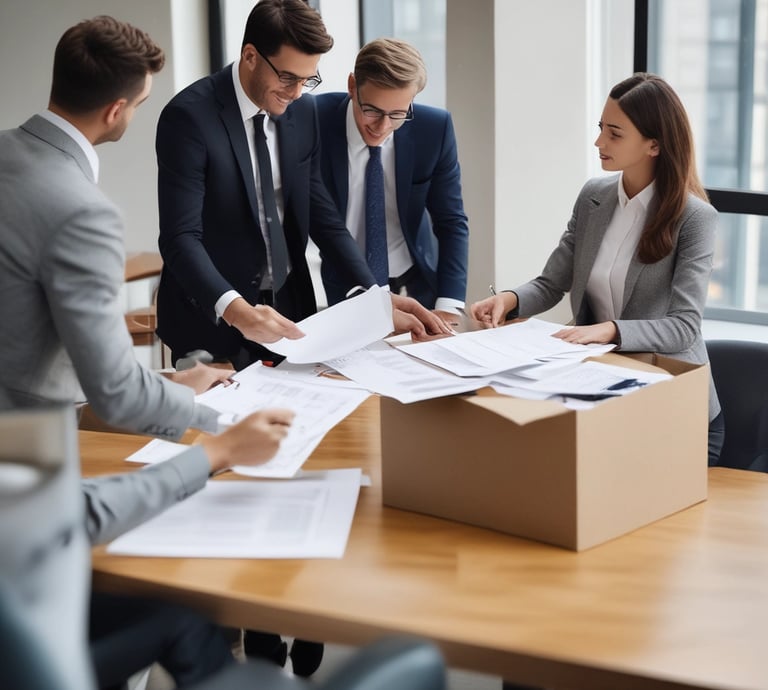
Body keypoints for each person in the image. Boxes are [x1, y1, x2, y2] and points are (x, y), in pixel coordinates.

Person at [0, 15, 296, 688]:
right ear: (116, 110)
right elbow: (118, 395)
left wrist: (179, 383)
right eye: (138, 104)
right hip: (29, 480)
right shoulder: (81, 209)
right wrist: (218, 425)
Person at [154, 0, 450, 374]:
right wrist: (235, 309)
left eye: (307, 80)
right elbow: (180, 237)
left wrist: (374, 297)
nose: (297, 92)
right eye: (288, 78)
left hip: (290, 312)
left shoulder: (302, 112)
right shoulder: (189, 118)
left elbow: (322, 216)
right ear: (250, 56)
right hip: (210, 318)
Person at [472, 73, 723, 466]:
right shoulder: (594, 197)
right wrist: (510, 298)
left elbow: (684, 326)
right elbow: (551, 282)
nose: (599, 142)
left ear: (654, 144)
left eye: (615, 133)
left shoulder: (695, 219)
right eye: (600, 128)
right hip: (604, 385)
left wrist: (609, 331)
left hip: (674, 403)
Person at [315, 37, 469, 318]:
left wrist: (449, 306)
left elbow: (451, 221)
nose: (383, 127)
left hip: (416, 272)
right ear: (352, 86)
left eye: (398, 114)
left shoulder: (434, 129)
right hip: (346, 279)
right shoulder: (313, 120)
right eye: (371, 110)